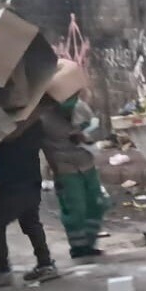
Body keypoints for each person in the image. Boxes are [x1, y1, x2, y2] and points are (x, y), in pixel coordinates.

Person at [0, 122, 58, 287]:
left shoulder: (17, 122)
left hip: (14, 181)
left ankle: (3, 270)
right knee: (30, 222)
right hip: (28, 178)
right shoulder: (32, 121)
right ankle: (45, 264)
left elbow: (11, 137)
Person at [38, 95, 110, 260]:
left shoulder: (80, 107)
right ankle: (78, 246)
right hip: (65, 168)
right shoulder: (42, 117)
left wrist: (85, 135)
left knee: (96, 204)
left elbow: (95, 131)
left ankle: (90, 243)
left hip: (87, 164)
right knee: (75, 209)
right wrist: (54, 171)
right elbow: (42, 146)